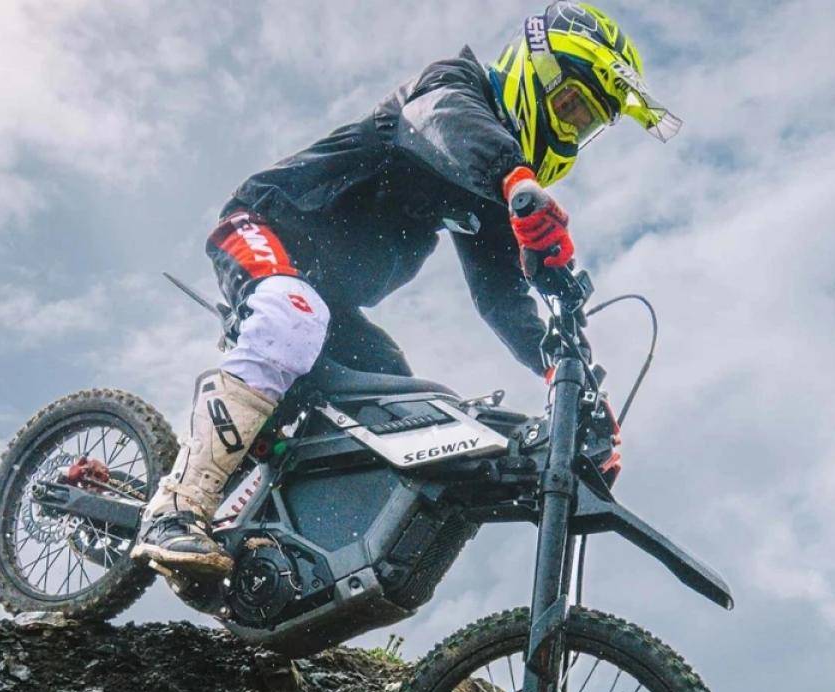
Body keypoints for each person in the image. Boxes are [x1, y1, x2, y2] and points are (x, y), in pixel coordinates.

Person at [132, 2, 680, 578]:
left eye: (584, 125)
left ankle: (280, 550)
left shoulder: (487, 192)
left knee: (405, 412)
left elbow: (501, 300)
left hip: (329, 304)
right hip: (265, 224)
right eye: (569, 108)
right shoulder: (451, 86)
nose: (569, 131)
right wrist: (517, 178)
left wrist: (567, 376)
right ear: (536, 73)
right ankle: (175, 510)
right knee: (291, 314)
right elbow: (446, 118)